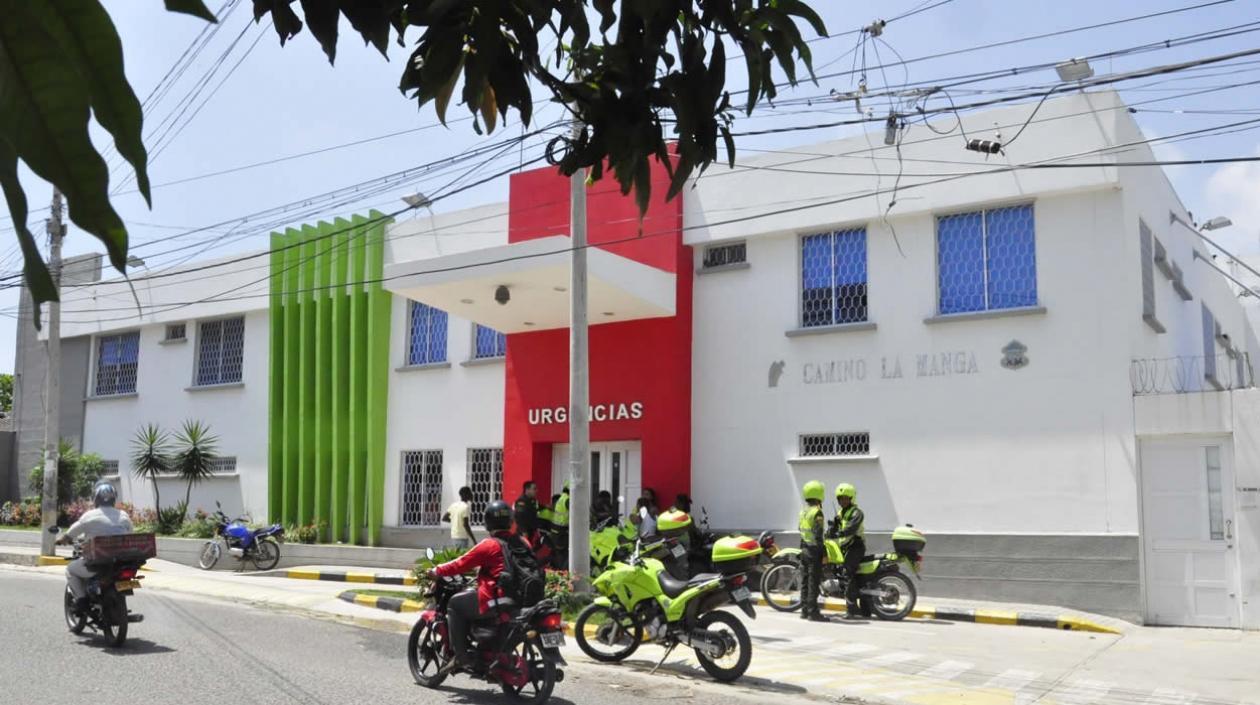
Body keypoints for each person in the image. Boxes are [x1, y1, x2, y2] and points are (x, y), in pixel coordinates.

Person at [429, 500, 524, 672]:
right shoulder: (523, 542)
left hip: (498, 597)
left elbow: (461, 563)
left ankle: (461, 657)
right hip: (521, 598)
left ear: (488, 522)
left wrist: (437, 570)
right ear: (510, 521)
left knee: (455, 604)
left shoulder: (489, 545)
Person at [57, 482, 132, 614]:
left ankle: (82, 600)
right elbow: (130, 533)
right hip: (121, 562)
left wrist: (64, 538)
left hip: (98, 562)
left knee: (70, 570)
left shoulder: (90, 515)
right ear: (114, 499)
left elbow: (73, 531)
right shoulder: (124, 515)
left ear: (96, 499)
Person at [833, 483, 867, 619]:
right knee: (840, 572)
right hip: (845, 547)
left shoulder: (857, 513)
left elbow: (851, 528)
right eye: (840, 498)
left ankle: (852, 609)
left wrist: (839, 534)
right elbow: (834, 527)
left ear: (851, 498)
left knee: (847, 573)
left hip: (856, 547)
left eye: (846, 498)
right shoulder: (840, 513)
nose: (843, 501)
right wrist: (828, 532)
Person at [797, 480, 828, 622]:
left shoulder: (803, 512)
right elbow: (818, 535)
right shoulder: (817, 512)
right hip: (814, 551)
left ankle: (804, 610)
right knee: (813, 582)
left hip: (804, 549)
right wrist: (824, 553)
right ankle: (813, 612)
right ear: (819, 495)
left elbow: (801, 530)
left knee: (804, 581)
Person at [551, 482, 570, 570]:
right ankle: (562, 574)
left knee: (561, 555)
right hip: (562, 532)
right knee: (565, 555)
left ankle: (559, 573)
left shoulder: (561, 498)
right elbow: (577, 513)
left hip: (556, 531)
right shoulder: (567, 500)